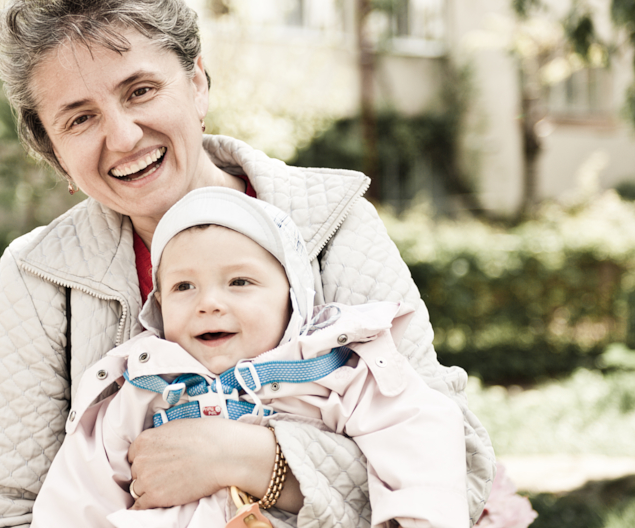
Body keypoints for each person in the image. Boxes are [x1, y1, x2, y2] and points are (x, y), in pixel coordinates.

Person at [0, 0, 495, 528]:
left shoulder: (330, 224)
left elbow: (459, 472)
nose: (123, 137)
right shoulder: (40, 277)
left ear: (197, 83)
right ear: (54, 154)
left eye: (141, 90)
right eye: (79, 119)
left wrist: (252, 460)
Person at [31, 187, 468, 528]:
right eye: (184, 287)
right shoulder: (143, 389)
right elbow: (76, 498)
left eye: (239, 282)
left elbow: (419, 438)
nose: (209, 303)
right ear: (160, 305)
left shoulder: (333, 371)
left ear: (293, 298)